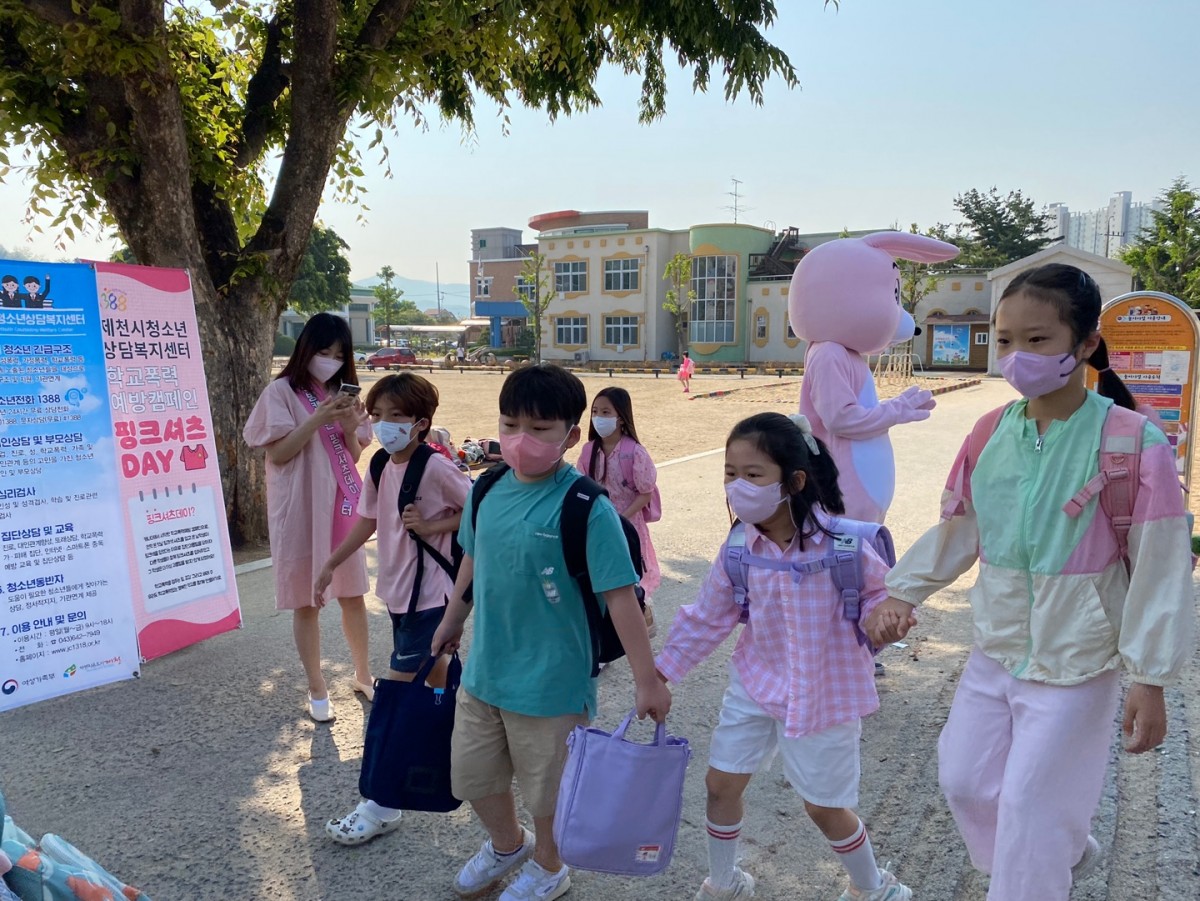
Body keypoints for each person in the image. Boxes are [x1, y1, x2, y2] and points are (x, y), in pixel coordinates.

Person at [869, 264, 1195, 901]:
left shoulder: (1132, 441)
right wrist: (904, 589)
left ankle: (1036, 868)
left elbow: (1160, 563)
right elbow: (961, 526)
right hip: (996, 648)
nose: (1017, 355)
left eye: (1038, 339)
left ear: (1086, 343)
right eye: (1006, 340)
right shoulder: (989, 432)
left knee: (1029, 807)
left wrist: (1150, 676)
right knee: (965, 781)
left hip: (1079, 659)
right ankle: (1056, 853)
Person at [430, 364, 671, 901]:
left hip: (553, 682)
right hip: (486, 671)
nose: (521, 439)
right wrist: (452, 619)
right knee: (473, 775)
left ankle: (549, 865)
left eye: (539, 429)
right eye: (510, 424)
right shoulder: (486, 488)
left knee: (547, 792)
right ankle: (506, 845)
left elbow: (620, 598)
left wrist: (647, 680)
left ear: (571, 435)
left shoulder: (587, 507)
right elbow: (473, 557)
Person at [656, 412, 912, 901]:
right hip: (755, 684)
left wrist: (886, 618)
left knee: (824, 808)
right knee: (719, 785)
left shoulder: (845, 545)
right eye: (730, 473)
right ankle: (724, 884)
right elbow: (707, 617)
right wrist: (660, 674)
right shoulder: (738, 548)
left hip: (825, 694)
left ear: (794, 482)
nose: (738, 486)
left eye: (753, 475)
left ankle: (873, 888)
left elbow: (881, 598)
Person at [318, 372, 471, 844]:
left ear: (421, 423)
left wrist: (433, 526)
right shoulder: (382, 464)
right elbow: (368, 519)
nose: (385, 425)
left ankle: (381, 804)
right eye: (379, 414)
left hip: (433, 597)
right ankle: (474, 756)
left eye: (397, 416)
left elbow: (480, 511)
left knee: (397, 698)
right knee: (437, 686)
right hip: (399, 596)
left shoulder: (437, 467)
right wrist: (332, 563)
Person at [243, 312, 375, 723]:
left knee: (353, 594)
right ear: (306, 349)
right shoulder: (281, 392)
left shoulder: (344, 394)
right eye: (324, 351)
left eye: (339, 354)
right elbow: (278, 453)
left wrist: (349, 427)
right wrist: (318, 419)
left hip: (341, 505)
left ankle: (363, 674)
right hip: (300, 507)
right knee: (307, 601)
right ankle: (317, 686)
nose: (331, 361)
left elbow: (354, 455)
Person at [577, 386, 661, 637]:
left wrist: (620, 518)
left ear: (621, 417)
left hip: (628, 528)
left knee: (630, 578)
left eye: (606, 412)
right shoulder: (589, 451)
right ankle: (607, 635)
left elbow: (645, 492)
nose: (598, 417)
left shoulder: (635, 453)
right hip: (597, 526)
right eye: (595, 411)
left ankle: (641, 619)